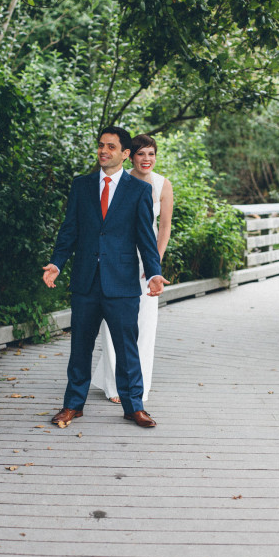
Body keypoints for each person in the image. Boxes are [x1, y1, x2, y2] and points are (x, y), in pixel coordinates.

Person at [42, 126, 169, 428]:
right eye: (101, 145)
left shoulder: (139, 190)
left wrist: (154, 273)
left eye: (111, 147)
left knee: (127, 348)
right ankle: (73, 405)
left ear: (125, 154)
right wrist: (56, 263)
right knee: (80, 348)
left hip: (123, 282)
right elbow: (69, 230)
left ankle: (133, 407)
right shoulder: (81, 185)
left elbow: (145, 238)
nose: (103, 151)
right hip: (86, 281)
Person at [92, 134, 174, 404]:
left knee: (146, 323)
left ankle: (141, 386)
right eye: (141, 154)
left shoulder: (163, 185)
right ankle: (115, 385)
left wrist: (153, 266)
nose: (146, 159)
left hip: (147, 261)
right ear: (129, 155)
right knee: (114, 320)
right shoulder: (118, 181)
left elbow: (163, 229)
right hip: (117, 259)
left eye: (151, 154)